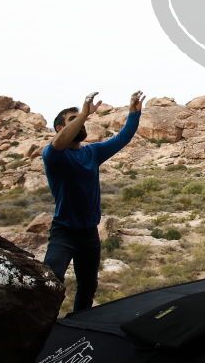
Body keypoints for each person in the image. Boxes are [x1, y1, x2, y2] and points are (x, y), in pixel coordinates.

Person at [42, 90, 144, 312]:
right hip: (64, 232)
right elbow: (57, 144)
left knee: (88, 287)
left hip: (89, 233)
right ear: (60, 128)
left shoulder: (93, 153)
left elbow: (123, 138)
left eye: (81, 118)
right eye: (73, 119)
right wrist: (84, 115)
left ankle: (80, 325)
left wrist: (133, 114)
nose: (82, 122)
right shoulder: (54, 156)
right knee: (50, 280)